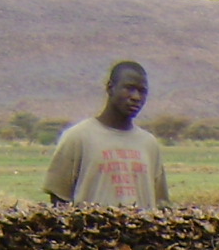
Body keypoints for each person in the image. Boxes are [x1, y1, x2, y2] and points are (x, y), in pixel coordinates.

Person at [42, 61, 171, 209]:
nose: (136, 97)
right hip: (93, 231)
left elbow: (161, 204)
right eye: (129, 88)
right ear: (110, 88)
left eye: (142, 91)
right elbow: (59, 198)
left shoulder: (149, 144)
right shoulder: (78, 137)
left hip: (141, 231)